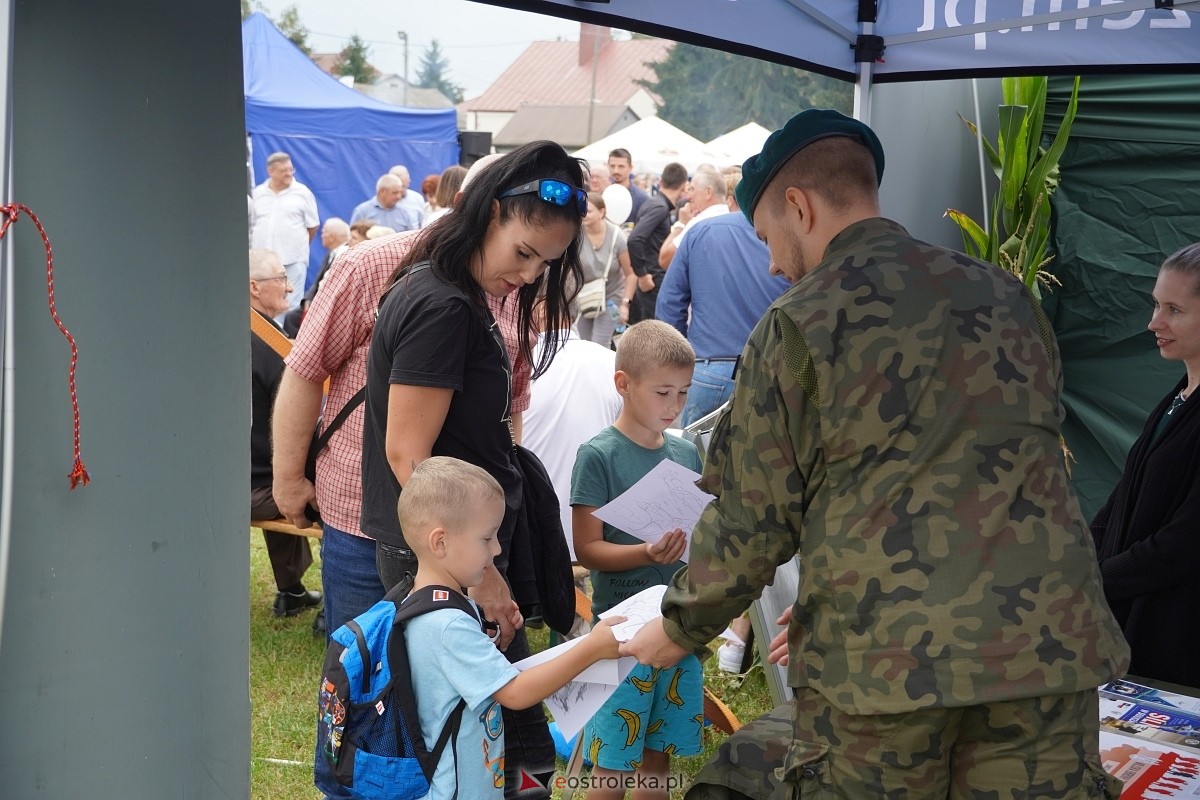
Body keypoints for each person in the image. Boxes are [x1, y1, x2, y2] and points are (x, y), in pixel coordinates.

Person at [623, 109, 1130, 797]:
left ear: (798, 206)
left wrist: (679, 627)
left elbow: (753, 520)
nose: (772, 262)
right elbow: (1001, 461)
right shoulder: (1007, 297)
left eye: (769, 236)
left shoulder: (800, 322)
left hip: (888, 670)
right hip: (1046, 651)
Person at [361, 139, 586, 799]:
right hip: (441, 557)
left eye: (543, 264)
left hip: (459, 549)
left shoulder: (450, 290)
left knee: (500, 745)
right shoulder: (443, 304)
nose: (527, 275)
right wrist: (482, 574)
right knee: (482, 745)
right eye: (523, 254)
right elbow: (408, 455)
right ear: (490, 214)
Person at [400, 457, 623, 800]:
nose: (497, 549)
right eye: (487, 538)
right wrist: (592, 648)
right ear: (440, 542)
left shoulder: (429, 601)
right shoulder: (448, 625)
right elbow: (516, 693)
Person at [570, 320, 703, 798]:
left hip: (676, 624)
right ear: (623, 384)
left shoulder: (688, 453)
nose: (674, 406)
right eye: (663, 392)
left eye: (684, 394)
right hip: (621, 633)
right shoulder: (599, 455)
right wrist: (645, 551)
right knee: (612, 758)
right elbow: (587, 549)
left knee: (657, 753)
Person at [1091, 241, 1200, 690]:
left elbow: (1183, 543)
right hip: (1129, 634)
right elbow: (1122, 502)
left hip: (1177, 649)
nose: (1154, 322)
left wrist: (1091, 579)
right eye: (1157, 305)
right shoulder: (1179, 396)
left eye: (1174, 309)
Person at [655, 179, 788, 427]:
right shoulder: (782, 235)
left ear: (730, 199)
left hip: (709, 369)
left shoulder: (700, 231)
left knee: (696, 462)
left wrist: (675, 363)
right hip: (766, 369)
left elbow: (670, 303)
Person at [248, 249, 320, 618]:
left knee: (284, 478)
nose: (290, 288)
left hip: (222, 484)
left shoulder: (219, 331)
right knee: (334, 495)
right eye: (281, 278)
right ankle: (334, 608)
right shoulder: (271, 344)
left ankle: (291, 591)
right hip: (257, 488)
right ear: (254, 287)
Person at [250, 151, 319, 318]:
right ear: (271, 171)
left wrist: (298, 247)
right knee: (260, 304)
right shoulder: (258, 193)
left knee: (289, 306)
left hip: (293, 260)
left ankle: (284, 340)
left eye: (291, 169)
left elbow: (313, 226)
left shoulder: (303, 193)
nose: (289, 173)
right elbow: (252, 224)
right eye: (284, 170)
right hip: (262, 266)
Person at [627, 162, 688, 325]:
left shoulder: (654, 203)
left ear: (662, 181)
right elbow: (635, 239)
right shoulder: (659, 207)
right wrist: (642, 274)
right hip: (653, 280)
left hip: (652, 278)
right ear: (683, 185)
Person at [575, 191, 635, 348]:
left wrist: (625, 304)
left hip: (611, 298)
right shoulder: (576, 235)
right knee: (584, 345)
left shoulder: (617, 236)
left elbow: (630, 274)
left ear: (602, 212)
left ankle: (604, 372)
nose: (584, 214)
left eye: (588, 211)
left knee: (600, 344)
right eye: (581, 210)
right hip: (585, 296)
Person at [656, 164, 728, 269]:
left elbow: (665, 259)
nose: (689, 196)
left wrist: (681, 224)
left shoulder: (698, 224)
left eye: (692, 189)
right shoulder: (736, 220)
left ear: (708, 192)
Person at [350, 174, 417, 232]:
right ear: (382, 192)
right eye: (395, 193)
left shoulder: (404, 213)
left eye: (400, 192)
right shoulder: (362, 212)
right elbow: (353, 238)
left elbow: (411, 239)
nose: (399, 196)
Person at [608, 148, 650, 223]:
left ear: (630, 168)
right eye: (612, 166)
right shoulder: (603, 195)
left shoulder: (642, 198)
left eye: (621, 166)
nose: (616, 171)